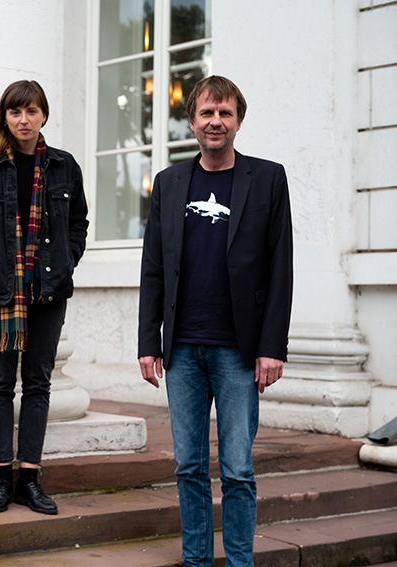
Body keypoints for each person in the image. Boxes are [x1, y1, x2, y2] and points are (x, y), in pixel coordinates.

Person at [138, 75, 293, 567]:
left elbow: (281, 267)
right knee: (188, 466)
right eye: (207, 113)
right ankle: (197, 561)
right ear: (192, 122)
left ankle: (241, 562)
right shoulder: (168, 183)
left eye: (225, 113)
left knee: (238, 469)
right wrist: (148, 341)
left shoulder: (267, 178)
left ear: (238, 121)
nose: (215, 122)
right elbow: (153, 266)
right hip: (182, 349)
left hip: (239, 351)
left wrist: (272, 347)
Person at [0, 80, 89, 516]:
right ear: (5, 117)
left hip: (48, 291)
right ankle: (1, 477)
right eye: (16, 112)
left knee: (38, 382)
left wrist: (67, 258)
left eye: (31, 111)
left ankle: (29, 478)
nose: (24, 120)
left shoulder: (64, 167)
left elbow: (79, 223)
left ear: (44, 115)